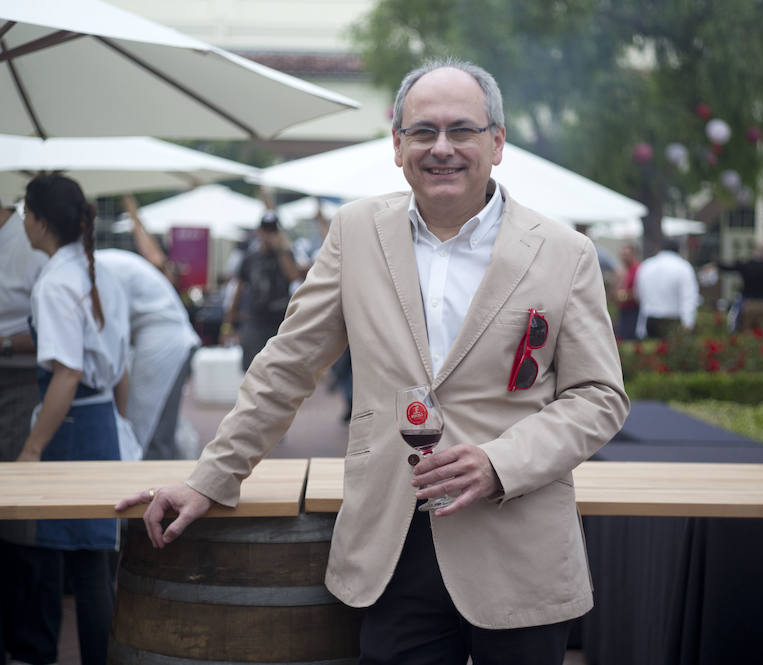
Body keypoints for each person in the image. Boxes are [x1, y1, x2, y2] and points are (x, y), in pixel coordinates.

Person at [117, 58, 629, 665]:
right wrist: (211, 477)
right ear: (397, 145)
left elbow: (599, 395)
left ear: (497, 143)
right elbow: (288, 365)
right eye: (423, 131)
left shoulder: (565, 252)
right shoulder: (355, 232)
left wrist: (500, 463)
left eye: (462, 130)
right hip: (391, 540)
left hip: (516, 538)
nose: (442, 148)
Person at [17, 174, 130, 665]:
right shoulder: (100, 272)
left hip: (70, 426)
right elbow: (120, 366)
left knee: (65, 561)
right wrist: (119, 424)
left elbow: (67, 374)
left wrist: (32, 449)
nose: (22, 221)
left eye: (25, 212)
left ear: (39, 222)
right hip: (98, 417)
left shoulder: (56, 282)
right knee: (92, 564)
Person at [0, 198, 49, 664]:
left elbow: (52, 334)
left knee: (16, 512)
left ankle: (29, 640)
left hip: (20, 377)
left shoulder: (31, 248)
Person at [96, 248, 201, 459]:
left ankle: (159, 488)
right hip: (168, 339)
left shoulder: (97, 270)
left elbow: (116, 351)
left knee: (150, 432)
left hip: (164, 345)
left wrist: (121, 420)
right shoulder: (101, 263)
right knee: (157, 426)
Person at [222, 211, 308, 370]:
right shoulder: (250, 258)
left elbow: (294, 276)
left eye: (272, 231)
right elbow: (237, 290)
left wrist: (280, 247)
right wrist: (228, 325)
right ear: (259, 232)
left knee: (279, 370)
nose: (269, 235)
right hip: (255, 321)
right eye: (266, 230)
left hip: (280, 323)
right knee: (253, 369)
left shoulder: (285, 254)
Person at [633, 238, 700, 338]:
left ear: (660, 249)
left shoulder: (646, 265)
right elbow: (689, 298)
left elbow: (638, 294)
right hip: (673, 319)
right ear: (679, 250)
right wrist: (688, 323)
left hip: (650, 319)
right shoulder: (683, 267)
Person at [714, 242, 763, 333]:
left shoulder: (746, 265)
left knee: (746, 334)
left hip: (748, 304)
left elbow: (727, 267)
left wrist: (715, 263)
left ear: (755, 252)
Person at [614, 243, 641, 339]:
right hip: (623, 310)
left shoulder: (638, 269)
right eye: (622, 255)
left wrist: (623, 296)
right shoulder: (622, 270)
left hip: (634, 310)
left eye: (626, 255)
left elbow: (638, 292)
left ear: (633, 255)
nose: (623, 257)